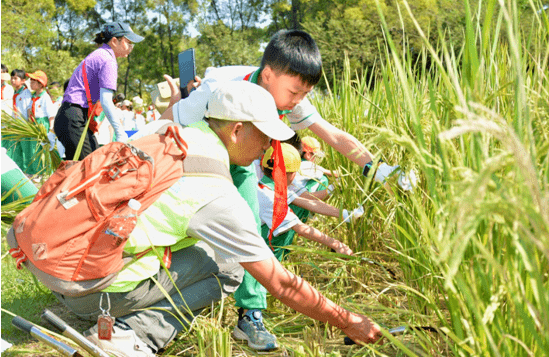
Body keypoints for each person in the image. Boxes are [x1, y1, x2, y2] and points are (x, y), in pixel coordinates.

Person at [29, 82, 381, 356]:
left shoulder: (172, 134)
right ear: (238, 130)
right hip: (88, 291)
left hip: (53, 265)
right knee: (231, 267)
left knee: (198, 245)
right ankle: (131, 334)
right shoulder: (215, 194)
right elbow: (279, 283)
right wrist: (346, 320)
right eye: (265, 136)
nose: (269, 148)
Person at [159, 29, 409, 348]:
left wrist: (376, 169)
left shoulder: (289, 98)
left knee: (249, 227)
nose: (298, 102)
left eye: (304, 94)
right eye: (294, 93)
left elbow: (333, 135)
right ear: (267, 75)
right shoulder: (218, 88)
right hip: (199, 160)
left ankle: (250, 315)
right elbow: (168, 121)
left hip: (240, 160)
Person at [233, 143, 354, 350]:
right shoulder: (269, 196)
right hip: (253, 252)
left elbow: (308, 202)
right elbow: (301, 228)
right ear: (288, 174)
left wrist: (342, 213)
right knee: (263, 276)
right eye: (294, 174)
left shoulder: (265, 185)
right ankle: (251, 318)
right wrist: (335, 243)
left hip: (248, 248)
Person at [54, 22, 143, 160]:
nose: (131, 47)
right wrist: (120, 132)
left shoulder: (100, 54)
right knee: (92, 167)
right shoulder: (108, 60)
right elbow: (106, 100)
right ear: (114, 41)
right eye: (128, 42)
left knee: (84, 167)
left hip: (70, 117)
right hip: (74, 118)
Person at [24, 70, 58, 175]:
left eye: (33, 81)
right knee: (33, 148)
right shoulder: (33, 97)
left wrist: (51, 130)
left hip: (42, 124)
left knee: (42, 149)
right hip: (34, 123)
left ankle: (45, 172)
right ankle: (36, 172)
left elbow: (51, 115)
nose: (31, 83)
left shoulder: (45, 97)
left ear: (40, 84)